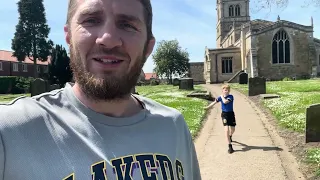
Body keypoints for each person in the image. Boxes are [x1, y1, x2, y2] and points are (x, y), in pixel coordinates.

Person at [0, 0, 201, 179]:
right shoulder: (10, 133)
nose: (108, 39)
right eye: (91, 20)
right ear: (68, 36)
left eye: (127, 24)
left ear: (148, 47)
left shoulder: (174, 126)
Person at [205, 84, 236, 154]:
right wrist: (208, 107)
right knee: (226, 129)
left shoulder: (230, 97)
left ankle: (230, 136)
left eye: (228, 90)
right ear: (222, 90)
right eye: (225, 90)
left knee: (233, 129)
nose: (226, 91)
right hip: (224, 114)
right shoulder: (220, 97)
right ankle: (230, 146)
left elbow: (225, 102)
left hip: (231, 114)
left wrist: (221, 96)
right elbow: (214, 102)